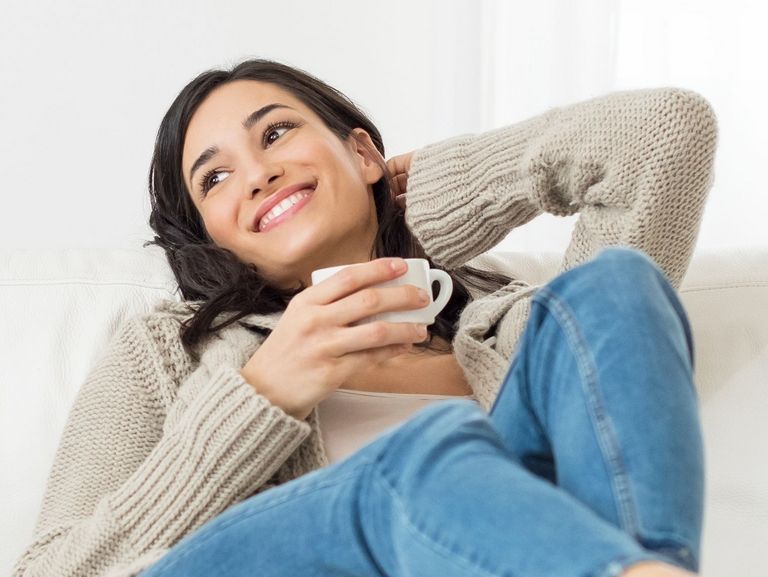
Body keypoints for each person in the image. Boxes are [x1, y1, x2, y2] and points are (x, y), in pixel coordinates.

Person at [12, 58, 718, 577]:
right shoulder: (167, 350)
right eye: (215, 178)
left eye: (278, 133)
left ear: (362, 150)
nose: (257, 173)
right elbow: (51, 569)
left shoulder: (509, 322)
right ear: (211, 236)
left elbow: (665, 134)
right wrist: (260, 396)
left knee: (620, 283)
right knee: (420, 458)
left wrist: (413, 200)